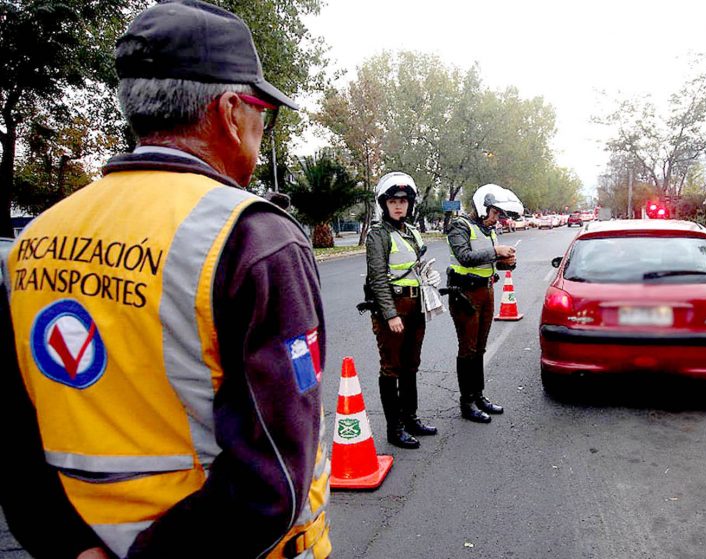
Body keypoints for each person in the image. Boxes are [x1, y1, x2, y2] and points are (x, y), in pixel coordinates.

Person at [1, 2, 330, 558]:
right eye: (261, 114)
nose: (259, 130)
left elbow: (15, 440)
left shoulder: (33, 241)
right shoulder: (252, 238)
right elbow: (272, 474)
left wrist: (73, 549)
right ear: (230, 111)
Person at [365, 172, 440, 449]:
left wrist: (430, 276)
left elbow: (417, 266)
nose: (399, 206)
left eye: (403, 201)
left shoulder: (411, 232)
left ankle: (411, 418)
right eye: (393, 201)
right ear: (384, 204)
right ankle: (394, 429)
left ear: (410, 204)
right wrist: (390, 314)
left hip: (416, 305)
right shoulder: (378, 235)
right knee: (392, 368)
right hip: (394, 308)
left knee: (411, 365)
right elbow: (378, 278)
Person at [446, 184, 518, 423]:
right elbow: (464, 257)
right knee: (467, 349)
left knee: (480, 348)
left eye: (500, 215)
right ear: (482, 207)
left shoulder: (489, 232)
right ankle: (467, 402)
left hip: (486, 292)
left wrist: (507, 261)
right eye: (495, 213)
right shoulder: (459, 225)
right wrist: (496, 251)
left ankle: (479, 396)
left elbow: (493, 264)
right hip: (465, 294)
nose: (498, 219)